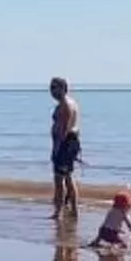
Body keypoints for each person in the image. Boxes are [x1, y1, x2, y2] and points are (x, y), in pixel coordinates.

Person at [49, 77, 82, 220]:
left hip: (65, 143)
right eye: (51, 88)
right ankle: (72, 210)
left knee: (60, 179)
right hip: (69, 142)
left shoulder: (66, 104)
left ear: (63, 88)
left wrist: (57, 148)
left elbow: (65, 128)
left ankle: (59, 212)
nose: (52, 91)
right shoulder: (70, 102)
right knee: (67, 177)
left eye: (55, 88)